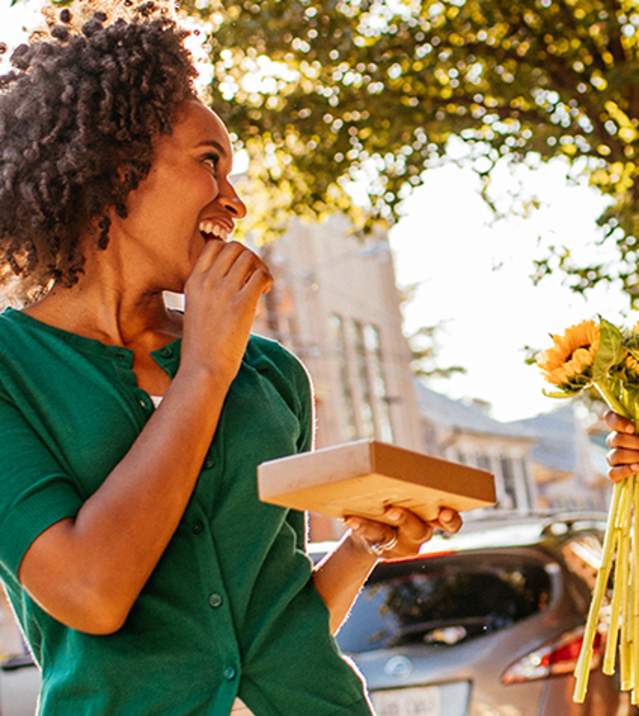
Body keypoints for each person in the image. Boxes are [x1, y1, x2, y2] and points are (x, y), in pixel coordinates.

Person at [0, 4, 462, 715]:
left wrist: (361, 546)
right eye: (209, 164)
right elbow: (89, 593)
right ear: (112, 168)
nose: (235, 201)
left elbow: (274, 617)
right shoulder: (11, 370)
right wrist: (206, 368)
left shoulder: (271, 370)